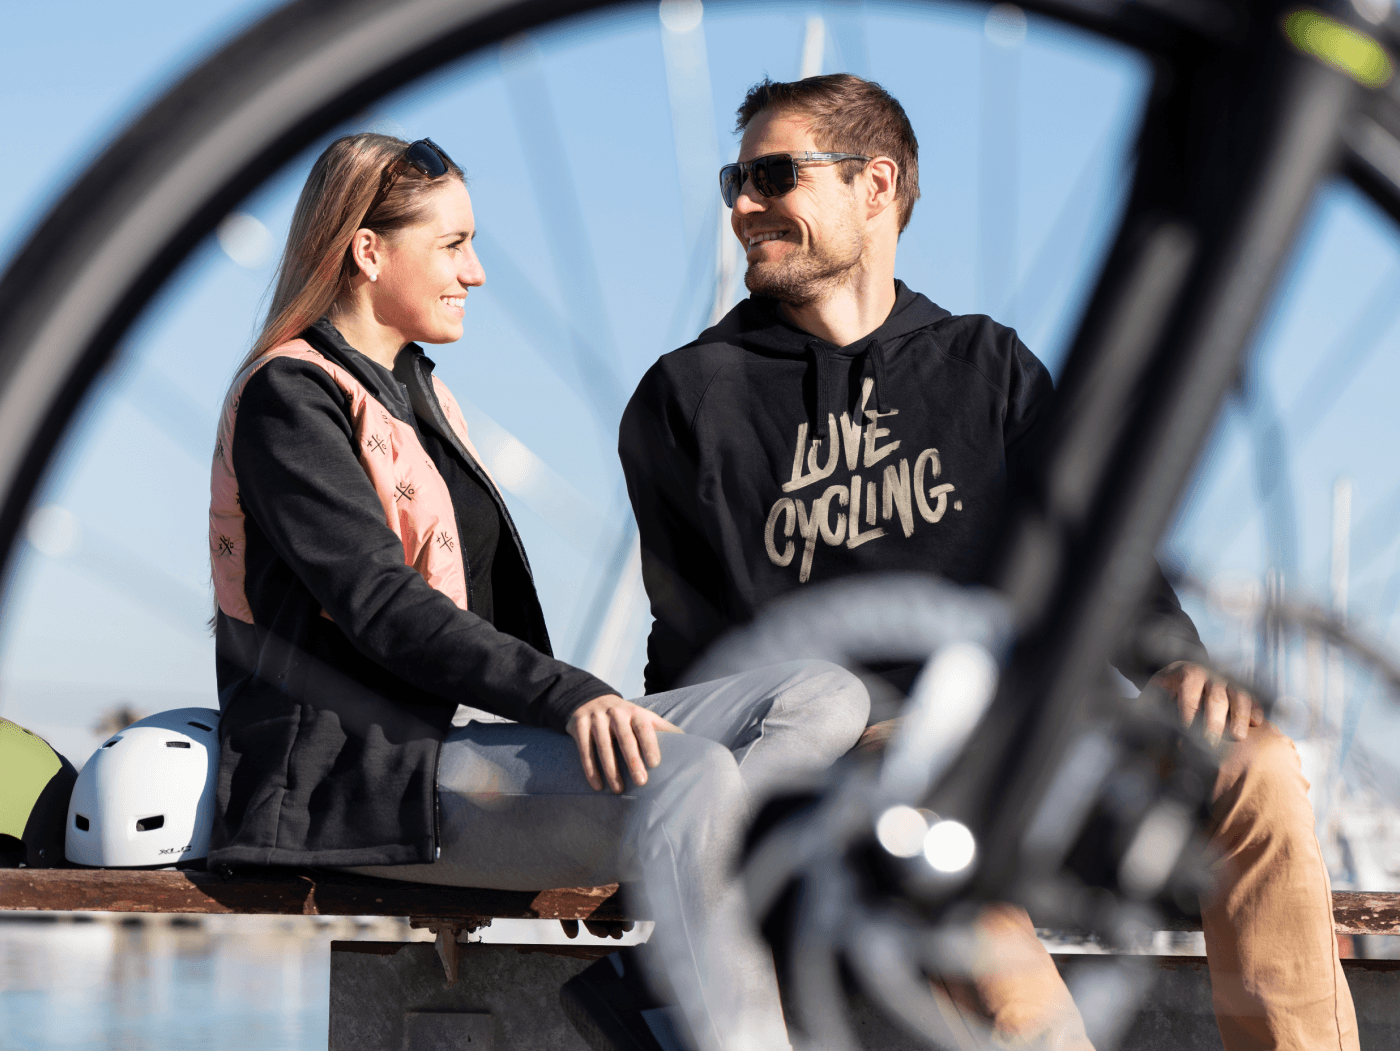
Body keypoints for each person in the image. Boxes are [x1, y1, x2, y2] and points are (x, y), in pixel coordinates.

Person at [619, 74, 1358, 1051]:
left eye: (769, 175)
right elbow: (688, 645)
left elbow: (1097, 551)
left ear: (873, 186)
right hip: (864, 766)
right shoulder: (685, 396)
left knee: (1254, 765)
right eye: (734, 180)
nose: (742, 205)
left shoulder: (987, 366)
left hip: (1030, 737)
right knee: (973, 923)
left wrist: (1174, 659)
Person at [207, 132, 869, 1051]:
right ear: (368, 252)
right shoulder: (293, 398)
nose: (474, 273)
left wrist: (569, 714)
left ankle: (650, 962)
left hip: (471, 751)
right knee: (695, 776)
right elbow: (382, 608)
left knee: (823, 692)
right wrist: (576, 697)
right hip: (364, 784)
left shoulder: (415, 395)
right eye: (453, 245)